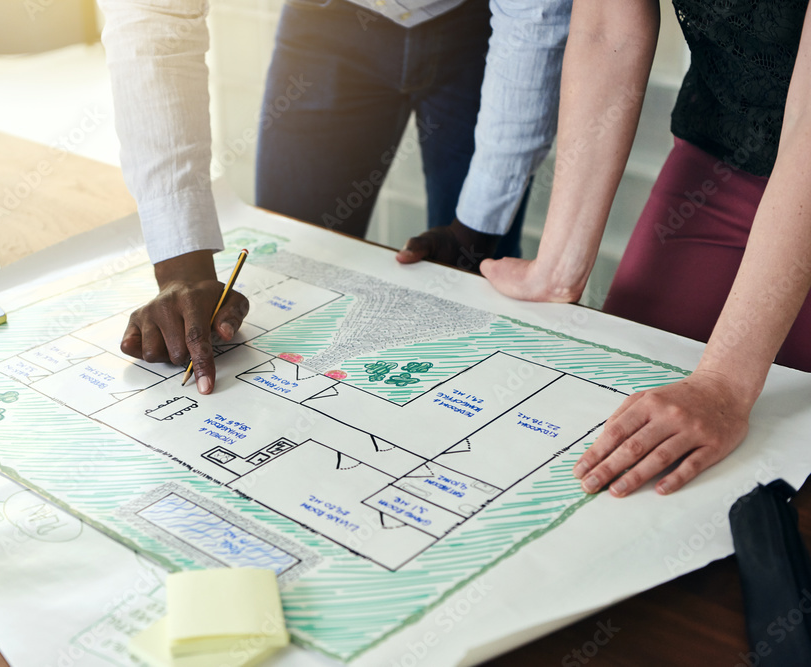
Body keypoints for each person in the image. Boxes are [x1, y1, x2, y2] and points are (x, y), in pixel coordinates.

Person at [98, 0, 572, 394]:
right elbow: (152, 22)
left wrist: (479, 225)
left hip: (490, 23)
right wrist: (181, 266)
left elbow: (536, 16)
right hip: (328, 20)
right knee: (299, 278)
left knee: (477, 280)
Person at [472, 0, 811, 497]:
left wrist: (725, 385)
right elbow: (607, 25)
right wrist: (559, 266)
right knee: (613, 405)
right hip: (721, 148)